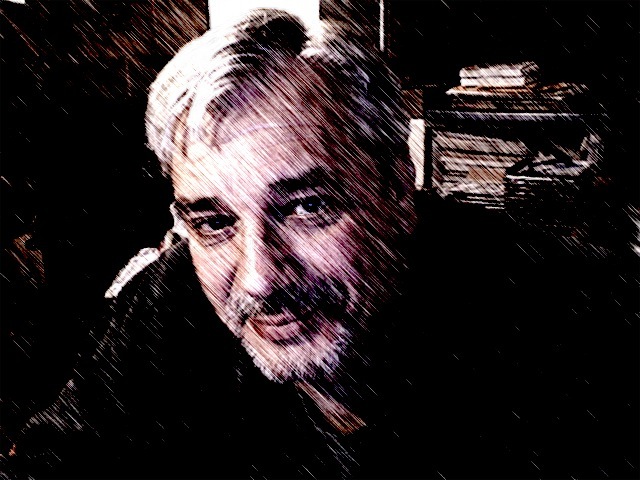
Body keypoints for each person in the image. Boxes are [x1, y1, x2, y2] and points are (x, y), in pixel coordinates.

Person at [3, 8, 638, 480]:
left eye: (307, 208)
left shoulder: (576, 334)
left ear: (397, 189)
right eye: (214, 221)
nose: (260, 278)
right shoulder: (173, 301)